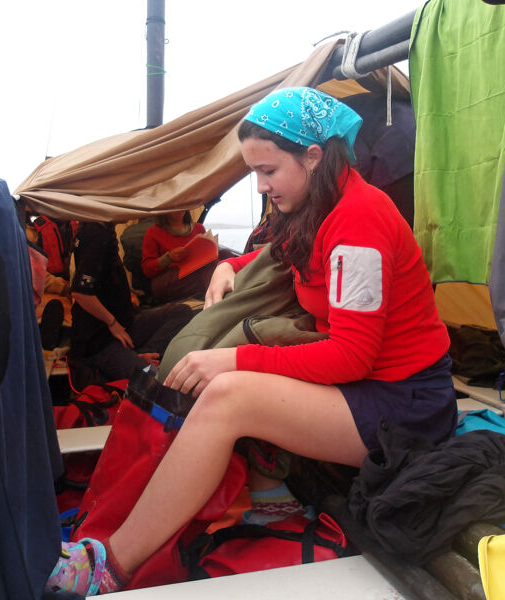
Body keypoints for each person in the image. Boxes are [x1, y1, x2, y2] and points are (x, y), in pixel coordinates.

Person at [46, 87, 456, 595]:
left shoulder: (359, 223)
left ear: (313, 156)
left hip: (404, 403)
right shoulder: (316, 206)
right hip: (367, 388)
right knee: (230, 376)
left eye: (268, 171)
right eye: (254, 173)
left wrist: (235, 360)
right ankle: (273, 500)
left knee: (227, 393)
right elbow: (272, 260)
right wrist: (226, 265)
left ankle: (113, 565)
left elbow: (352, 356)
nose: (261, 187)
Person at [67, 221, 195, 389]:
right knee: (155, 380)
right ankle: (133, 361)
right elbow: (80, 292)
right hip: (99, 341)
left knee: (182, 312)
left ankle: (138, 355)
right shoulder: (97, 235)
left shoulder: (106, 229)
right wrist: (112, 323)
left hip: (124, 325)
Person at [140, 210, 215, 303]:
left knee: (225, 255)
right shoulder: (153, 232)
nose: (180, 209)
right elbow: (147, 270)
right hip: (169, 280)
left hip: (195, 272)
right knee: (208, 272)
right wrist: (169, 258)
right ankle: (215, 297)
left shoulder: (198, 228)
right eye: (176, 205)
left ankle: (214, 295)